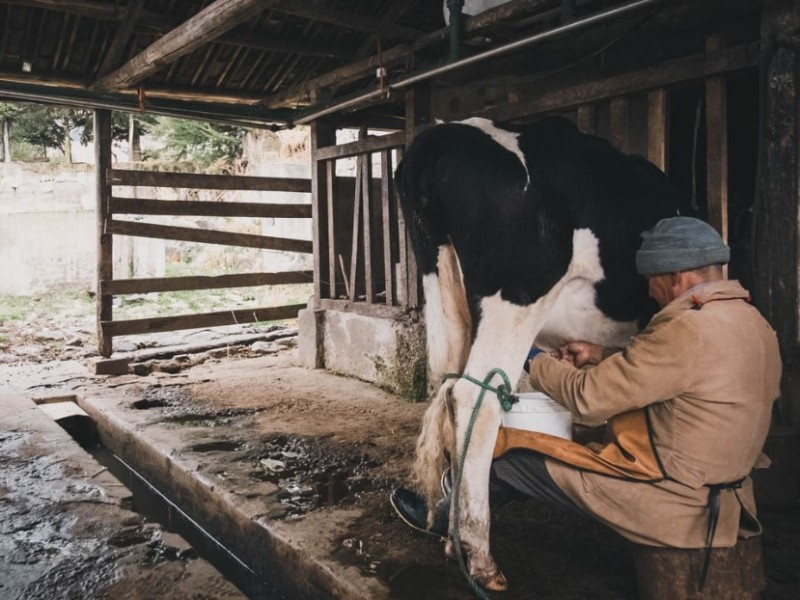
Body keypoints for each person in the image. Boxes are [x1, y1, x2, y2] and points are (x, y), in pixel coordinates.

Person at [391, 216, 781, 587]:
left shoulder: (686, 331)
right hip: (727, 493)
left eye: (652, 281)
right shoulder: (755, 324)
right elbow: (687, 379)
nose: (649, 292)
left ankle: (447, 519)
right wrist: (601, 355)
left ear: (677, 276)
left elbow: (586, 399)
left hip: (674, 502)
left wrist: (531, 357)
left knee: (508, 459)